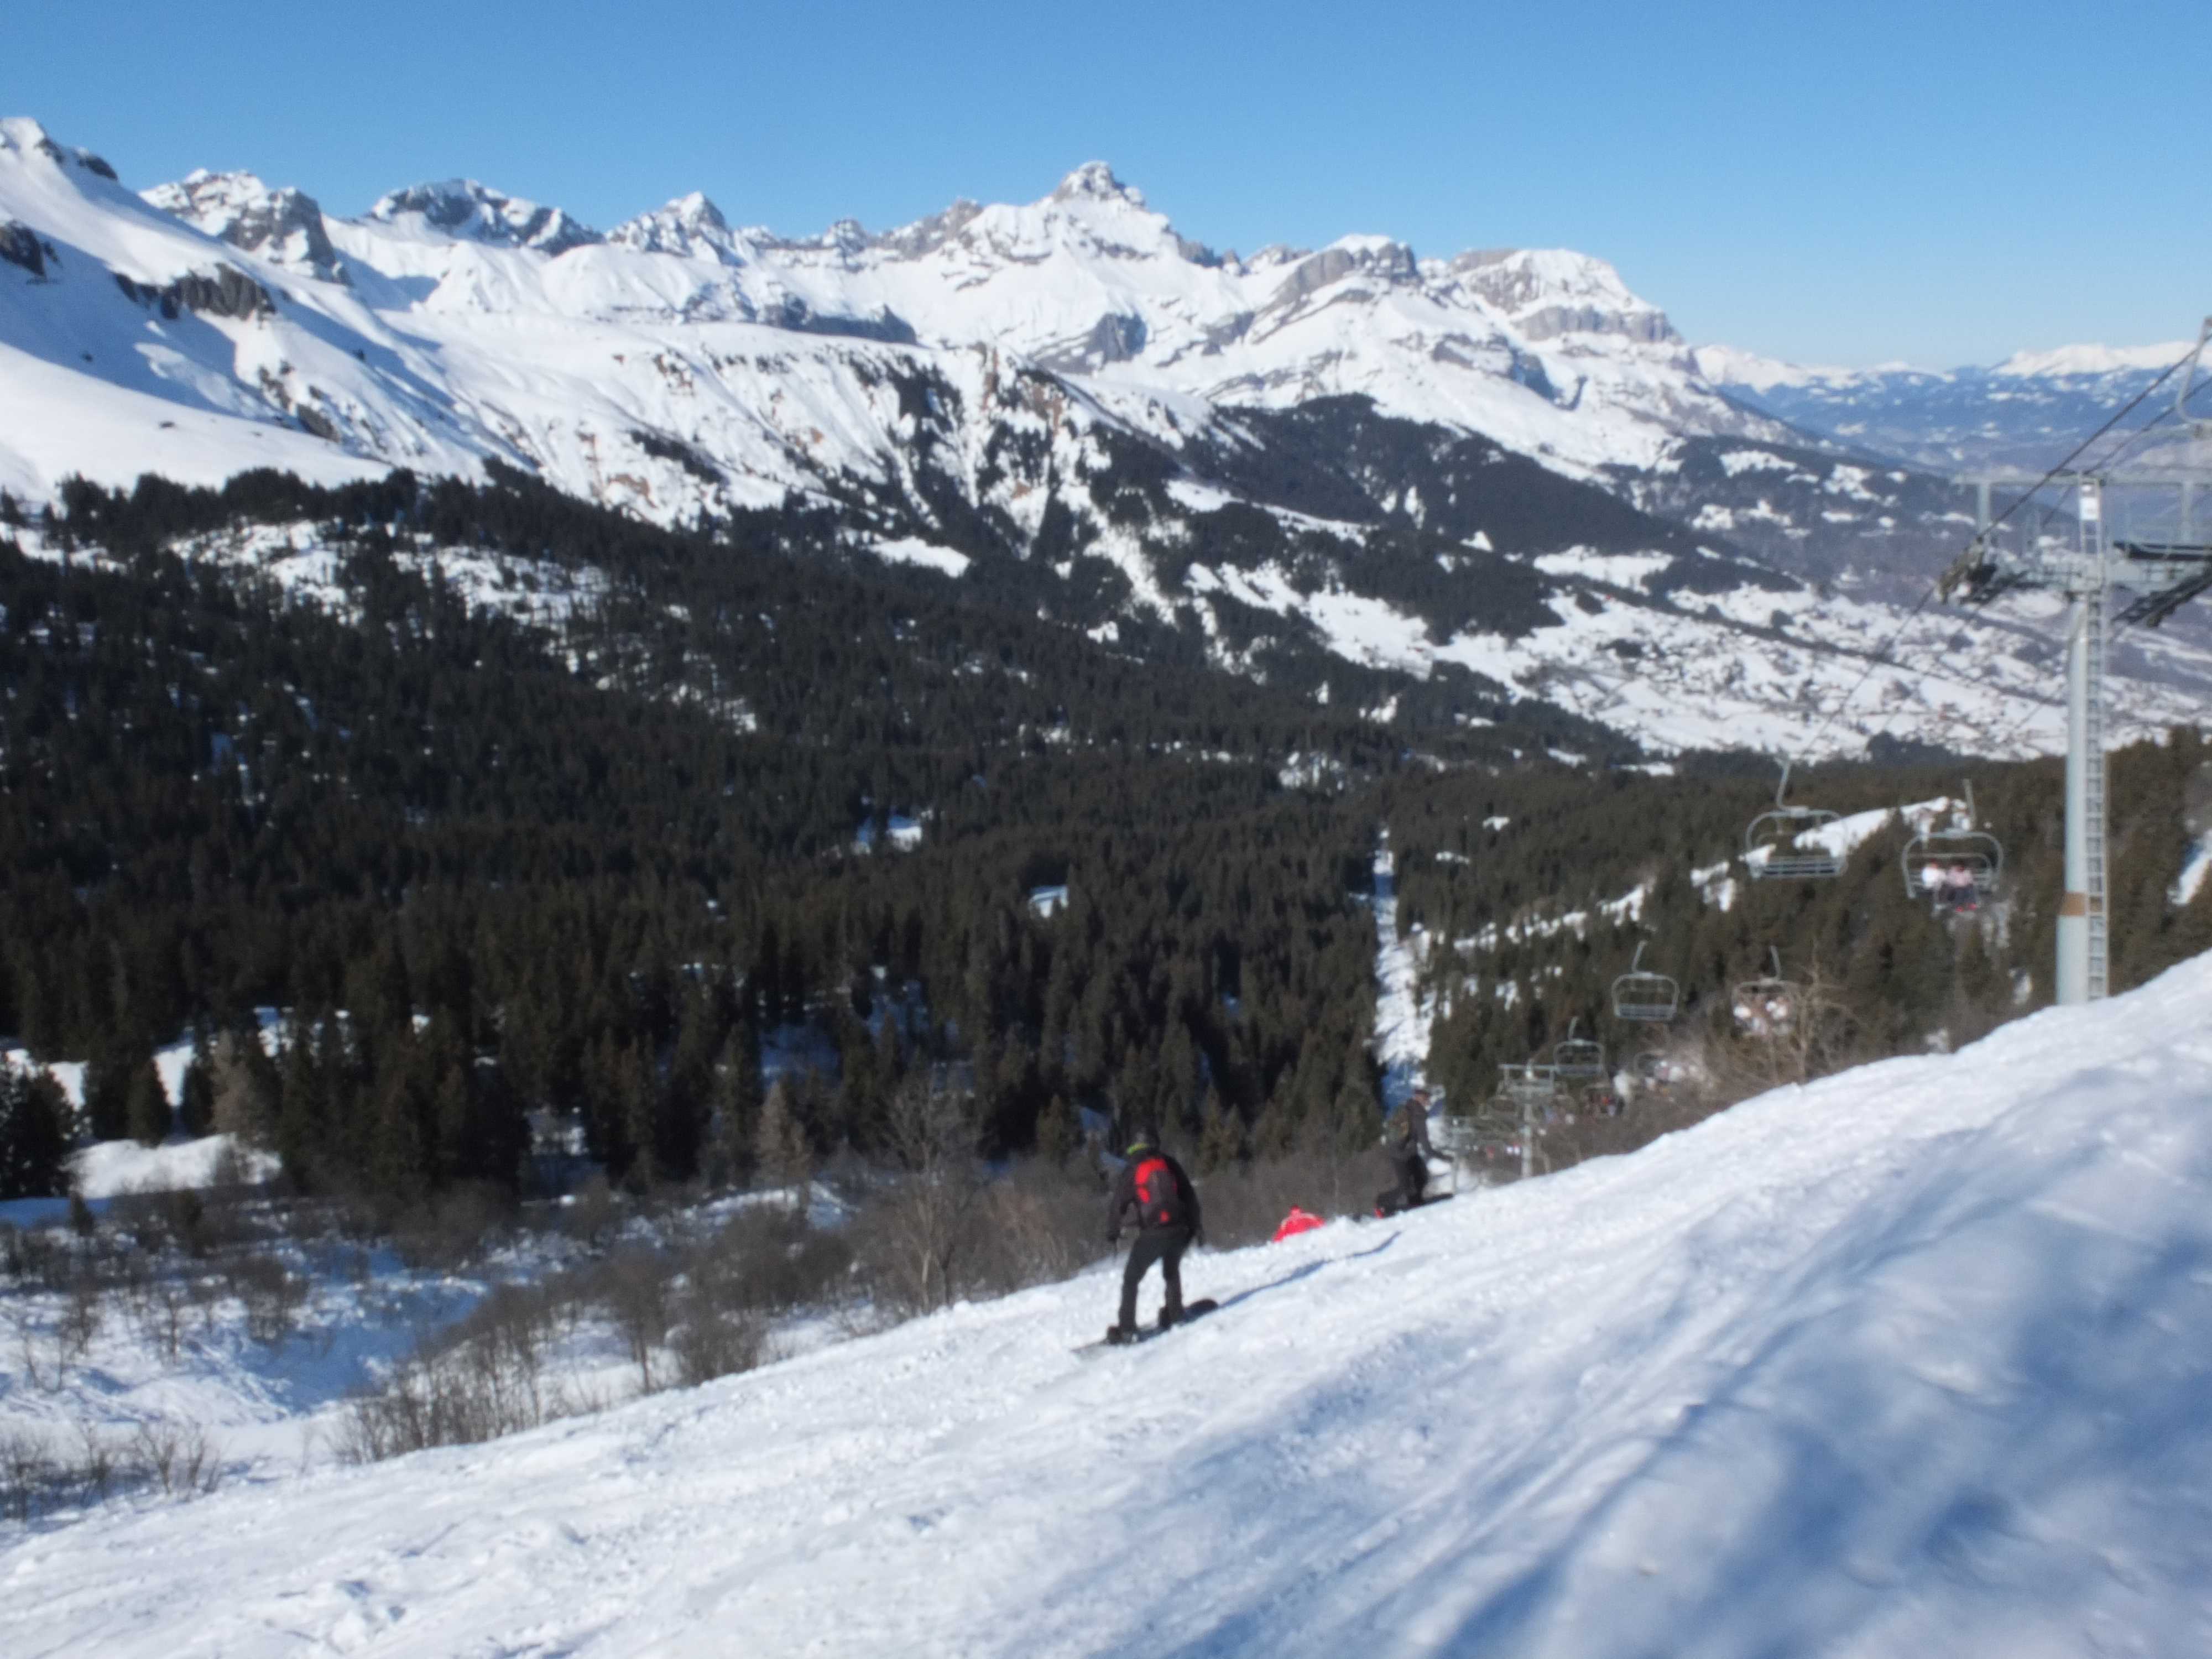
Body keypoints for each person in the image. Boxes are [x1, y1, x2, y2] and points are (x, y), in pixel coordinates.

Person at [1105, 1128, 1202, 1343]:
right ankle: (1175, 1315)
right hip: (1179, 1229)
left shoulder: (1133, 1169)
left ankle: (1127, 1330)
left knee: (1131, 1278)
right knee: (1171, 1270)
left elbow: (1118, 1203)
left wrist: (1113, 1231)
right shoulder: (1169, 1163)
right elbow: (1189, 1195)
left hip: (1154, 1232)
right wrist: (1195, 1226)